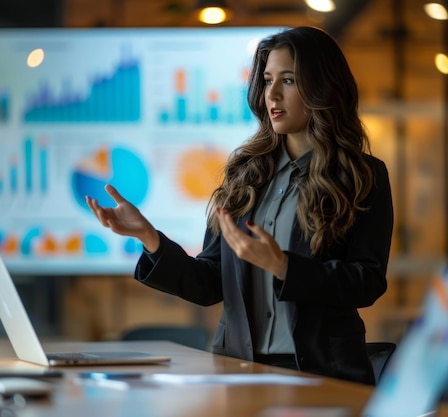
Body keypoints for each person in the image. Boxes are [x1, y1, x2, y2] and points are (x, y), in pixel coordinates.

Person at [86, 26, 393, 385]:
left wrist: (282, 266)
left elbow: (367, 282)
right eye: (266, 80)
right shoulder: (244, 175)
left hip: (324, 373)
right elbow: (209, 284)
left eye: (289, 81)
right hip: (240, 371)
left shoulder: (362, 175)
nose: (272, 94)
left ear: (323, 88)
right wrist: (150, 238)